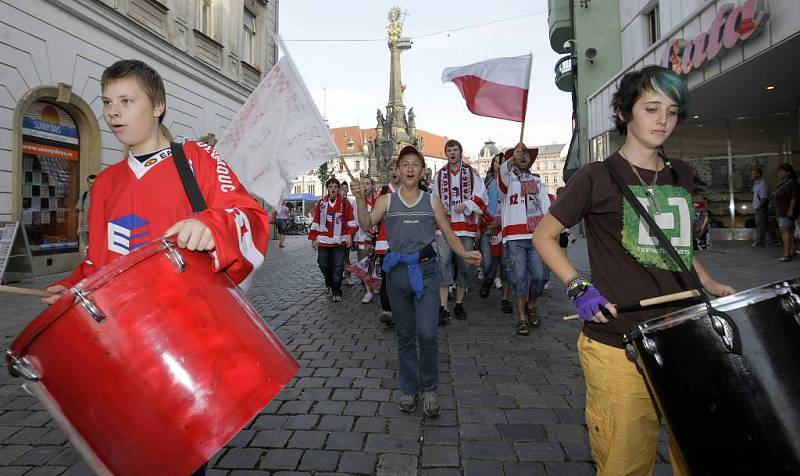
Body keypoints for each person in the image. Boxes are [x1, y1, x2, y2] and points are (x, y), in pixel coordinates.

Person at [44, 59, 269, 476]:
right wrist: (71, 288)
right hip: (124, 349)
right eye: (108, 101)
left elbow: (251, 218)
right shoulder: (107, 182)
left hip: (186, 346)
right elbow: (97, 263)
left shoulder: (197, 159)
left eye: (127, 101)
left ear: (159, 105)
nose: (113, 112)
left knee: (182, 460)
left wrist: (210, 225)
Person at [533, 65, 735, 476]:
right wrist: (578, 287)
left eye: (673, 111)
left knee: (697, 458)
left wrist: (708, 280)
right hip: (620, 345)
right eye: (652, 108)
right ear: (625, 113)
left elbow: (677, 243)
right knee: (625, 465)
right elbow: (544, 236)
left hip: (688, 335)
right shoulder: (596, 176)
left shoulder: (681, 173)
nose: (663, 120)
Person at [351, 145, 481, 416]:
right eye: (405, 164)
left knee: (428, 333)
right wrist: (361, 200)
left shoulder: (432, 200)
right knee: (406, 335)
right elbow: (365, 225)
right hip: (397, 275)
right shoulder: (386, 201)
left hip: (426, 272)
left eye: (415, 164)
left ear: (422, 171)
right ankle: (410, 389)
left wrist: (464, 253)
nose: (410, 168)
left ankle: (430, 388)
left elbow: (448, 232)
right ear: (397, 170)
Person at [431, 139, 487, 323]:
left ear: (460, 152)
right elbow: (432, 198)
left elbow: (481, 196)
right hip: (444, 228)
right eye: (449, 150)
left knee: (465, 264)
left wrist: (467, 204)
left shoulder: (472, 173)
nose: (452, 153)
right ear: (446, 154)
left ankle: (459, 303)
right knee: (443, 263)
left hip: (465, 227)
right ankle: (443, 306)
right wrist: (440, 207)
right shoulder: (439, 175)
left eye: (455, 150)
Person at [498, 144, 550, 335]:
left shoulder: (537, 181)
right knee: (519, 279)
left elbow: (546, 209)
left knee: (539, 278)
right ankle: (521, 318)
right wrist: (511, 159)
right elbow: (504, 170)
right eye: (520, 155)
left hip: (535, 237)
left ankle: (531, 304)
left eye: (526, 155)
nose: (523, 157)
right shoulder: (507, 180)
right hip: (514, 238)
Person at [308, 177, 356, 302]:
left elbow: (351, 221)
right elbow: (316, 220)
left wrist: (350, 235)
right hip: (324, 240)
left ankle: (336, 290)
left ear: (339, 189)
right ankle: (328, 283)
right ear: (327, 189)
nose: (333, 189)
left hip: (340, 240)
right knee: (323, 264)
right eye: (330, 187)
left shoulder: (345, 203)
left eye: (335, 187)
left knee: (338, 266)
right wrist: (313, 238)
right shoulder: (321, 203)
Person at [478, 153, 511, 309]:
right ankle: (488, 280)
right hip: (489, 224)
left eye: (502, 163)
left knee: (505, 264)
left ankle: (505, 298)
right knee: (488, 260)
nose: (499, 165)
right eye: (497, 162)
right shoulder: (488, 180)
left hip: (505, 226)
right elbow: (481, 201)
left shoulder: (510, 181)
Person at [375, 159, 402, 325]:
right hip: (385, 241)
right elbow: (376, 215)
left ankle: (402, 309)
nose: (393, 172)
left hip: (405, 242)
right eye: (391, 169)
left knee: (402, 278)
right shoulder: (384, 191)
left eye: (396, 169)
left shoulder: (409, 189)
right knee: (386, 278)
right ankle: (387, 310)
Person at [352, 177, 378, 303]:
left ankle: (375, 283)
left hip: (377, 238)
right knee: (364, 264)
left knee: (375, 264)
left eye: (367, 183)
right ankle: (368, 291)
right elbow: (353, 222)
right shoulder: (355, 202)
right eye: (362, 184)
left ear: (373, 186)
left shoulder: (378, 201)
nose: (365, 186)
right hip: (362, 237)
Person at [771, 163, 799, 262]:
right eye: (778, 172)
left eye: (782, 172)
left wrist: (790, 209)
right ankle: (790, 251)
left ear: (788, 173)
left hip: (786, 211)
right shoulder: (784, 182)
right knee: (789, 232)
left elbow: (793, 197)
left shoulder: (791, 182)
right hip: (783, 210)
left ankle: (786, 253)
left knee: (785, 232)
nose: (779, 173)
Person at [750, 166, 772, 247]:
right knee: (765, 224)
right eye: (752, 173)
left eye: (754, 173)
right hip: (757, 206)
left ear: (759, 174)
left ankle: (759, 241)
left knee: (760, 224)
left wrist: (760, 206)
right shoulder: (756, 184)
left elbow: (764, 196)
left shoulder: (763, 184)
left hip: (761, 207)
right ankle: (773, 239)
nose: (752, 175)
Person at [75, 174, 96, 254]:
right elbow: (81, 211)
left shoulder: (101, 196)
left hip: (95, 227)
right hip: (85, 227)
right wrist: (79, 227)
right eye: (90, 182)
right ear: (87, 183)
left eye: (94, 182)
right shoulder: (84, 195)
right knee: (87, 248)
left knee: (95, 248)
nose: (92, 184)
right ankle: (88, 263)